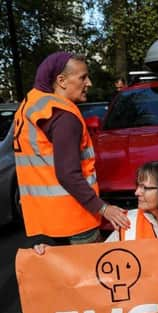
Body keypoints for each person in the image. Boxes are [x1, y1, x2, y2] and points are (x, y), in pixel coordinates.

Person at [14, 51, 130, 246]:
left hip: (45, 218)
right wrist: (103, 209)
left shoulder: (31, 106)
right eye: (83, 77)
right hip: (75, 219)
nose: (89, 83)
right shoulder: (64, 117)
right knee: (91, 274)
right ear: (61, 80)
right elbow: (68, 174)